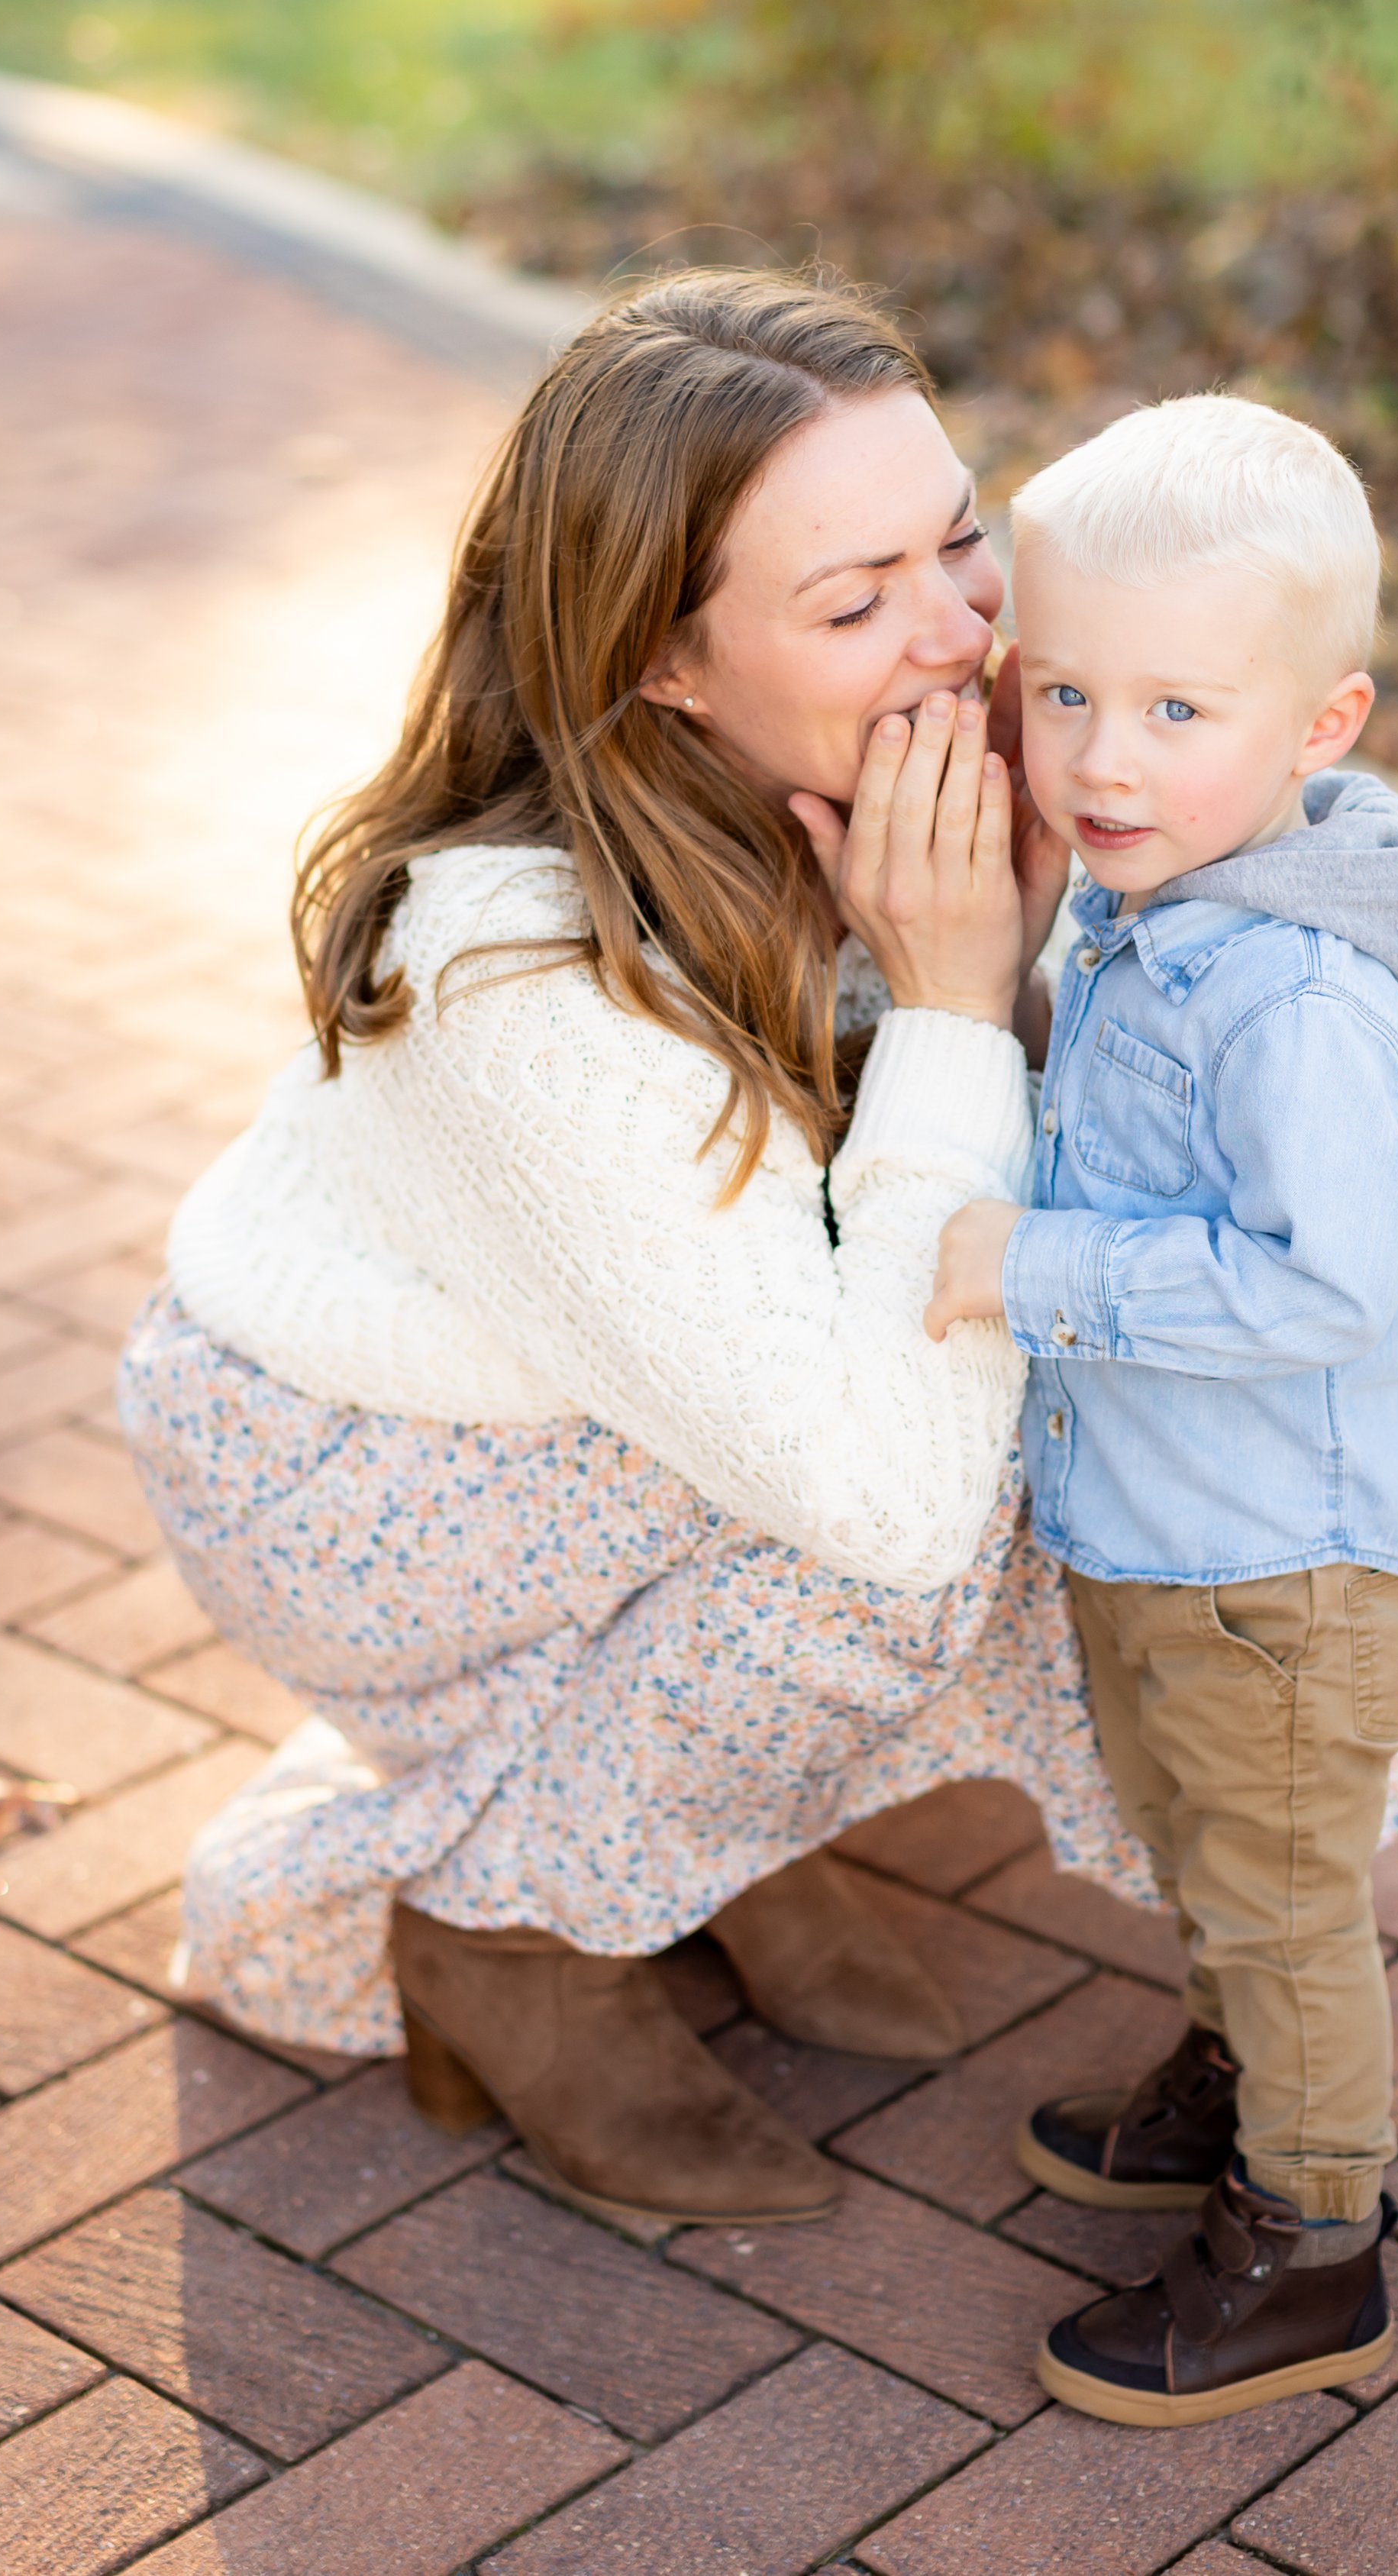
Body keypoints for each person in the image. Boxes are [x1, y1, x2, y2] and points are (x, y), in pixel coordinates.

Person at [118, 267, 1144, 2234]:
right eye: (853, 604)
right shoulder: (508, 972)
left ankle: (691, 1825)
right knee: (906, 1528)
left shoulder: (850, 772)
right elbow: (897, 1486)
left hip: (592, 1396)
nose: (952, 632)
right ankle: (516, 1933)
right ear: (665, 661)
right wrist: (946, 1004)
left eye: (957, 539)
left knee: (1045, 1367)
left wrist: (1012, 960)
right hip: (337, 1466)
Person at [927, 392, 1398, 2423]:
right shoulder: (1156, 895)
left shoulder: (1294, 1002)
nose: (1097, 757)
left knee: (1272, 1887)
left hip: (1278, 1553)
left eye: (1177, 709)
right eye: (1062, 689)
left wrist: (1032, 1267)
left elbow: (1324, 1282)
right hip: (1175, 1517)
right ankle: (1247, 2067)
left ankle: (1311, 2235)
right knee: (1198, 1843)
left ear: (1318, 728)